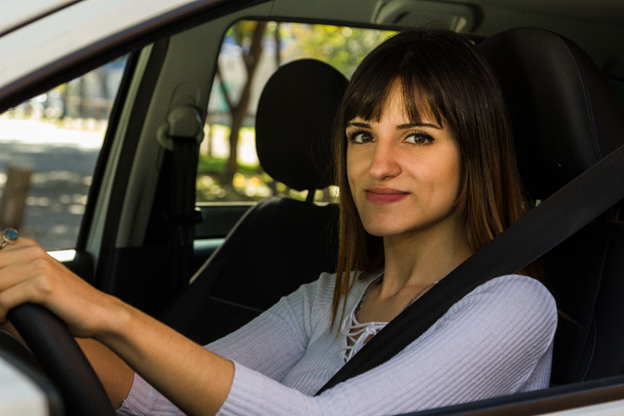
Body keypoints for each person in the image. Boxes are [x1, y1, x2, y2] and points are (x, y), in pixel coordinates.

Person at [0, 29, 557, 415]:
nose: (378, 165)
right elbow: (167, 397)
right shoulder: (328, 299)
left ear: (476, 155)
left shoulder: (514, 306)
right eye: (362, 135)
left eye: (418, 137)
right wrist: (22, 313)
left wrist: (105, 312)